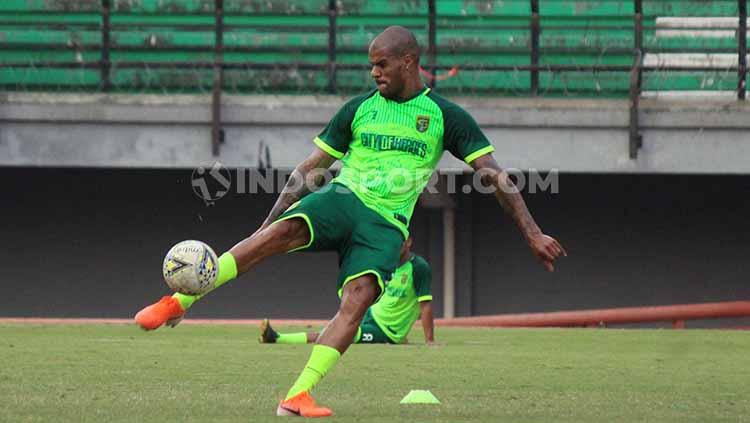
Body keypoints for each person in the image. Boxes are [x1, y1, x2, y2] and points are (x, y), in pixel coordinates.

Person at [134, 26, 566, 418]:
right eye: (371, 65)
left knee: (357, 301)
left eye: (382, 64)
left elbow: (493, 175)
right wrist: (266, 224)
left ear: (408, 62)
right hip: (344, 197)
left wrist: (532, 232)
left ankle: (297, 396)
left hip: (387, 224)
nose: (374, 73)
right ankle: (178, 302)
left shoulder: (446, 117)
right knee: (279, 235)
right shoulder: (359, 108)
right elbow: (312, 166)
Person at [259, 236, 435, 346]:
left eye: (399, 243)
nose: (394, 247)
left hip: (386, 331)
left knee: (337, 335)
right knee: (336, 325)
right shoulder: (387, 262)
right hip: (370, 315)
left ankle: (278, 339)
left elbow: (425, 306)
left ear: (409, 242)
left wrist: (429, 341)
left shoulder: (419, 268)